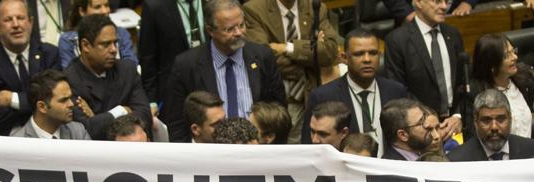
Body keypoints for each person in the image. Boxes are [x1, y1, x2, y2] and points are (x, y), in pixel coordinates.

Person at [162, 0, 286, 142]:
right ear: (210, 30)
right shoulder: (186, 65)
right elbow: (176, 123)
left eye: (241, 25)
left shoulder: (263, 57)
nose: (239, 33)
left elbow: (278, 111)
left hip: (257, 150)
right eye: (229, 29)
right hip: (210, 155)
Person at [242, 0, 339, 141]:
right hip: (273, 100)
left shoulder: (315, 7)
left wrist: (288, 48)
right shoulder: (254, 9)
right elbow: (261, 58)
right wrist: (309, 60)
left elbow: (330, 52)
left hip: (307, 96)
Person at [299, 29, 409, 152]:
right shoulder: (323, 96)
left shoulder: (396, 91)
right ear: (344, 58)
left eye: (373, 53)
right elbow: (309, 147)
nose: (367, 59)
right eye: (359, 54)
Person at [0, 0, 60, 136]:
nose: (16, 24)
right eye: (8, 20)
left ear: (31, 22)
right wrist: (39, 105)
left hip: (45, 135)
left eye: (20, 18)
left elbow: (57, 102)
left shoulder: (50, 54)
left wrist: (13, 99)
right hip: (1, 137)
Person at [383, 0, 466, 141]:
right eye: (438, 1)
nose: (444, 7)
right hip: (419, 128)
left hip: (454, 125)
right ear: (418, 2)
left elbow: (463, 82)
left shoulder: (453, 34)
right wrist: (427, 120)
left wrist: (457, 116)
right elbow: (398, 90)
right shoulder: (397, 40)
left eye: (446, 1)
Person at [64, 15, 152, 139]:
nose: (114, 50)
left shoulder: (127, 70)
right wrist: (122, 110)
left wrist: (97, 118)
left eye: (115, 42)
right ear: (85, 45)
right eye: (105, 44)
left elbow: (145, 116)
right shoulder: (70, 80)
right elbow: (86, 129)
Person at [469, 35, 534, 140]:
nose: (515, 57)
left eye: (513, 51)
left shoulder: (524, 81)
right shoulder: (477, 94)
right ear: (491, 64)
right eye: (506, 55)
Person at [448, 89, 534, 162]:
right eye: (486, 120)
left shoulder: (531, 150)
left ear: (510, 119)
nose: (494, 127)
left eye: (501, 119)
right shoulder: (457, 160)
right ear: (475, 123)